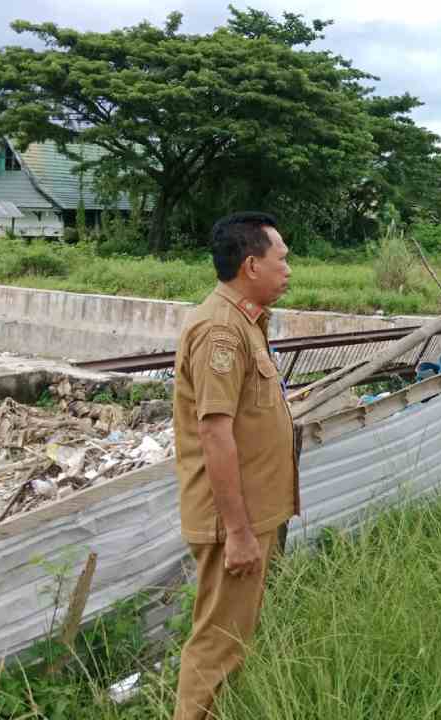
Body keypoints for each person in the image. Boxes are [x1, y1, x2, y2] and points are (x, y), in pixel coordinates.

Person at [172, 212, 299, 720]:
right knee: (217, 643)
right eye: (282, 258)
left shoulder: (243, 323)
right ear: (251, 265)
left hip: (249, 515)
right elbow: (214, 432)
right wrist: (240, 532)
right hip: (233, 524)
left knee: (232, 639)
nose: (288, 269)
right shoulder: (221, 331)